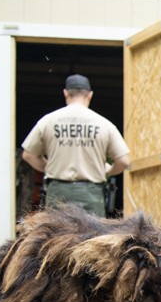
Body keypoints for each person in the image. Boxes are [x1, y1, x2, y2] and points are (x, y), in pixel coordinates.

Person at [21, 74, 131, 217]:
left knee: (56, 236)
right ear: (90, 95)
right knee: (92, 237)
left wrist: (50, 167)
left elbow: (28, 154)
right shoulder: (104, 124)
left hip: (57, 192)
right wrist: (107, 172)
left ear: (65, 93)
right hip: (91, 193)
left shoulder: (48, 121)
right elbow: (124, 161)